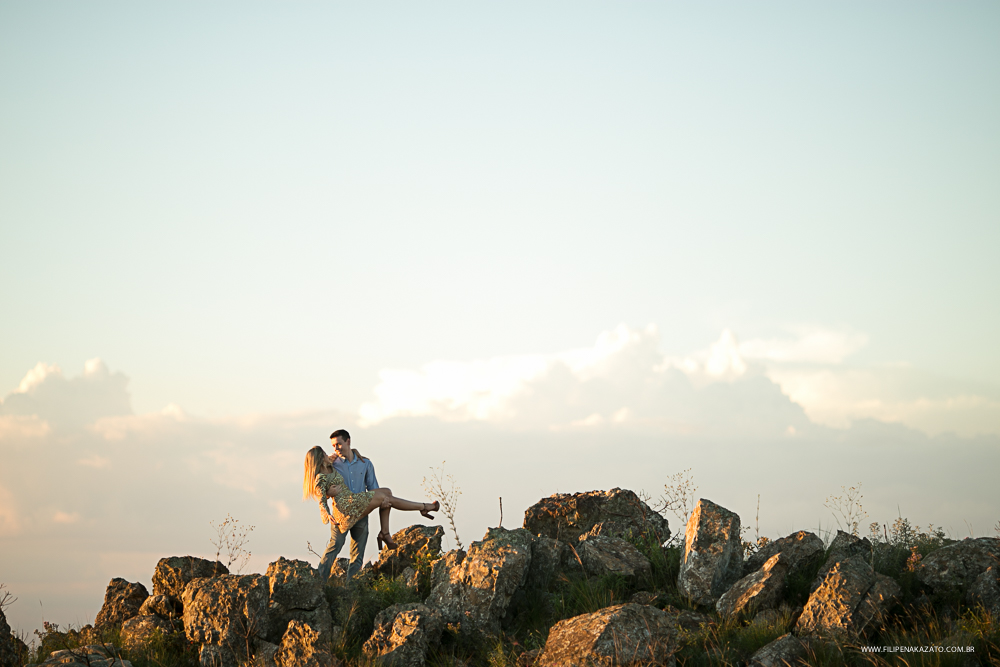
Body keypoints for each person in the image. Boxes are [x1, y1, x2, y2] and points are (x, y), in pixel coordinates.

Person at [304, 432, 438, 581]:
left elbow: (373, 487)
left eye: (338, 444)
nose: (336, 448)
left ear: (348, 441)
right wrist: (328, 497)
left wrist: (383, 501)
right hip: (342, 512)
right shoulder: (333, 463)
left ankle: (352, 591)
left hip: (361, 508)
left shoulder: (365, 463)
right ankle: (319, 582)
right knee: (334, 547)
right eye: (333, 446)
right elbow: (319, 488)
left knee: (358, 555)